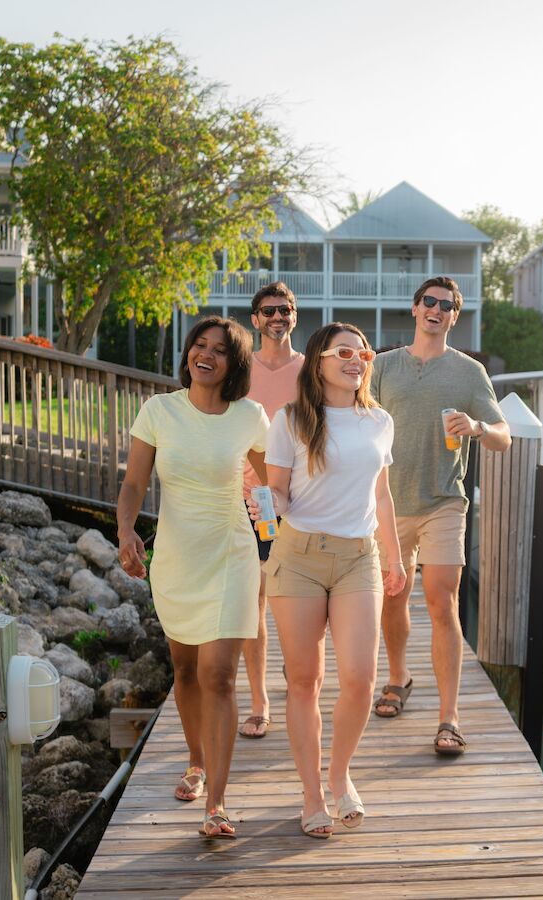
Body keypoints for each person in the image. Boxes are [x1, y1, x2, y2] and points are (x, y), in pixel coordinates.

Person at [250, 322, 405, 838]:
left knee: (360, 679)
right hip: (297, 557)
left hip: (359, 557)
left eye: (363, 352)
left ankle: (340, 774)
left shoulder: (379, 421)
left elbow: (381, 496)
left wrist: (396, 559)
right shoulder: (291, 421)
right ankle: (312, 794)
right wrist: (265, 511)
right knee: (304, 681)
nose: (357, 359)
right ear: (317, 361)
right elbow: (278, 495)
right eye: (344, 352)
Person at [116, 316, 269, 839]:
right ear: (188, 354)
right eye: (199, 346)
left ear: (234, 363)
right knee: (184, 672)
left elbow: (270, 484)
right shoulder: (158, 411)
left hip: (231, 553)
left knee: (219, 676)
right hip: (177, 557)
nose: (206, 355)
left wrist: (274, 535)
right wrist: (126, 531)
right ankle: (196, 760)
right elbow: (135, 482)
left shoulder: (250, 416)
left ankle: (218, 805)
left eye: (220, 350)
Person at [369, 276, 511, 756]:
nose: (436, 309)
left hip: (443, 501)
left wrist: (477, 426)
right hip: (387, 502)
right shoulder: (383, 366)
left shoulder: (470, 373)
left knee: (440, 601)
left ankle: (449, 717)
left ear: (454, 316)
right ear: (414, 309)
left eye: (446, 305)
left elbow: (504, 436)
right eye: (428, 301)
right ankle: (398, 678)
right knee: (394, 595)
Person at [238, 281, 304, 739]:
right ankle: (260, 701)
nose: (277, 317)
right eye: (269, 311)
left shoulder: (311, 370)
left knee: (297, 603)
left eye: (285, 309)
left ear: (294, 316)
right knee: (255, 600)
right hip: (252, 497)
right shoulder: (240, 371)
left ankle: (299, 680)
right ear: (255, 320)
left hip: (304, 499)